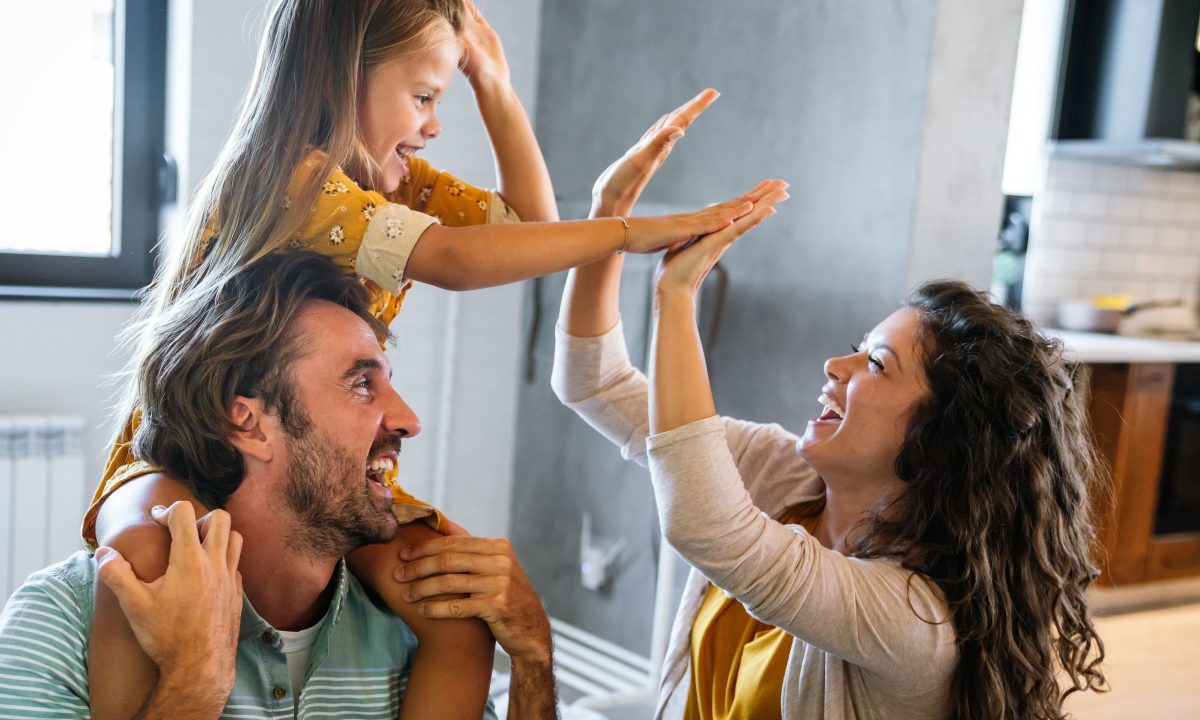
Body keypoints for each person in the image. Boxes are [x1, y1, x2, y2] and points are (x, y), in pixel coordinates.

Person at [83, 0, 765, 715]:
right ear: (337, 81)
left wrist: (495, 86)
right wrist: (626, 231)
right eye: (423, 97)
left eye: (442, 98)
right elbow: (453, 257)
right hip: (186, 453)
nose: (435, 125)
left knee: (453, 603)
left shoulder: (400, 188)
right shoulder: (290, 176)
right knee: (150, 552)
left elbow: (530, 234)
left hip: (319, 465)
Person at [552, 124, 1108, 718]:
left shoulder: (915, 621)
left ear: (942, 436)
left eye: (875, 363)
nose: (835, 365)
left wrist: (676, 294)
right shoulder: (778, 471)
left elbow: (708, 529)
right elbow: (597, 385)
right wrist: (606, 216)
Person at [0, 252, 558, 719]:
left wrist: (534, 662)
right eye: (362, 384)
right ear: (249, 422)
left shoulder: (416, 623)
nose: (409, 419)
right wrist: (193, 681)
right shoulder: (57, 624)